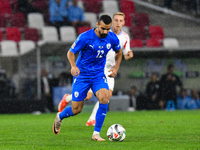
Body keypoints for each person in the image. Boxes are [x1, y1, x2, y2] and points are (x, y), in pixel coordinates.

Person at [53, 14, 123, 141]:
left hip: (98, 75)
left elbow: (119, 52)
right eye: (103, 28)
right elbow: (70, 52)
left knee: (104, 98)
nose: (105, 31)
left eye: (108, 28)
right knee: (76, 109)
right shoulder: (85, 37)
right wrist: (73, 66)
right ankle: (60, 116)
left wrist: (116, 68)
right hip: (82, 76)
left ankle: (96, 134)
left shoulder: (112, 37)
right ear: (97, 25)